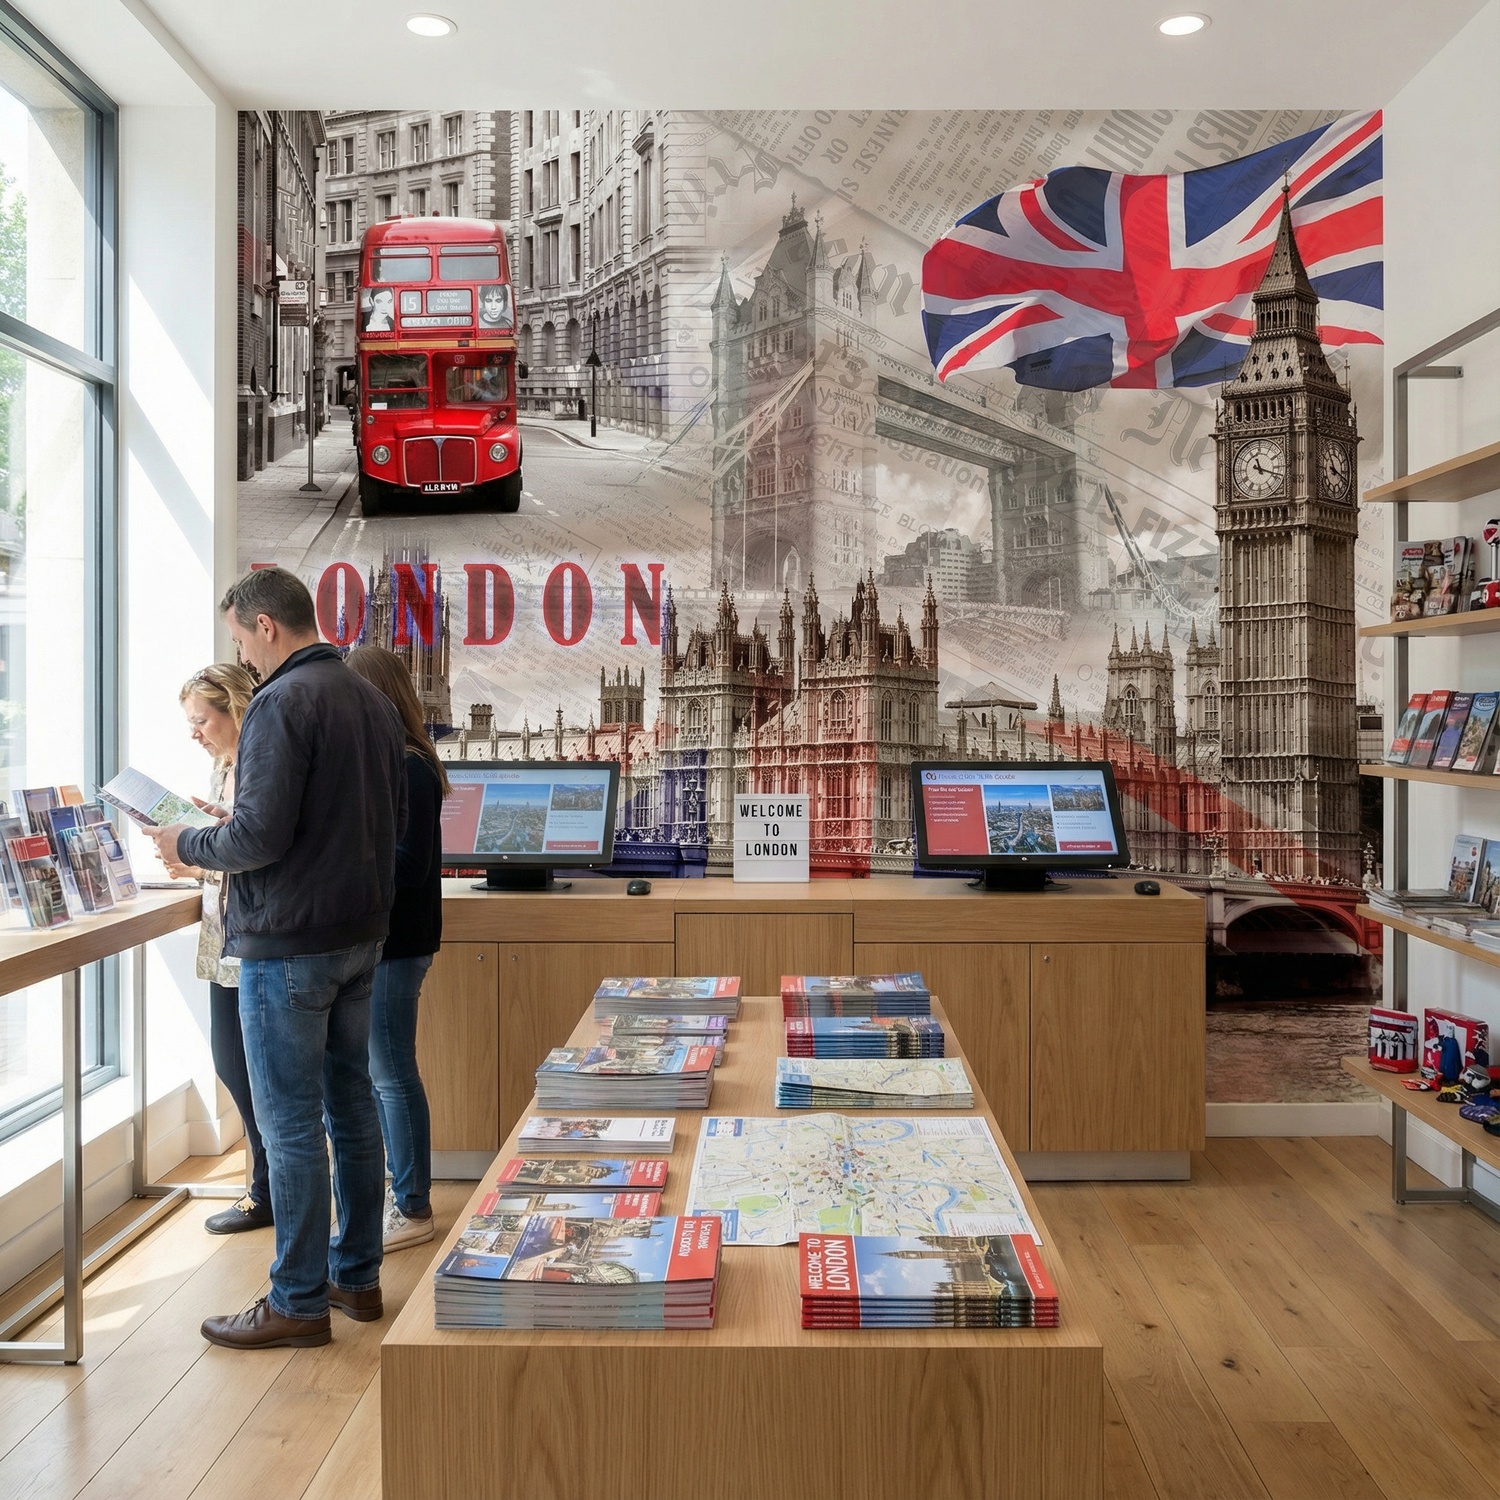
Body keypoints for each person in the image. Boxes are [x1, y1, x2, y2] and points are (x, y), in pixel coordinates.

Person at [145, 567, 407, 1351]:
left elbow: (258, 837)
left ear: (266, 626)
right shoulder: (370, 697)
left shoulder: (279, 702)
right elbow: (385, 821)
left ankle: (296, 1300)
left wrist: (188, 842)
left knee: (289, 1125)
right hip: (360, 935)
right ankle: (356, 1278)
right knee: (352, 1109)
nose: (243, 658)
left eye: (240, 641)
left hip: (288, 943)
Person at [344, 644, 447, 1251]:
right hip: (384, 940)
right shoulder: (393, 761)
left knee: (391, 1073)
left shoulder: (409, 766)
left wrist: (340, 861)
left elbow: (408, 865)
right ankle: (402, 1193)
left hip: (398, 941)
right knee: (383, 1072)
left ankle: (413, 1206)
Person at [172, 663, 271, 1234]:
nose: (195, 734)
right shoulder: (224, 768)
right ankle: (267, 1185)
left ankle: (268, 1189)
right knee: (232, 1064)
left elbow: (255, 853)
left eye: (201, 720)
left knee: (248, 1068)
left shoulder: (257, 769)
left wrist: (198, 858)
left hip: (250, 940)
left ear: (234, 709)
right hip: (223, 939)